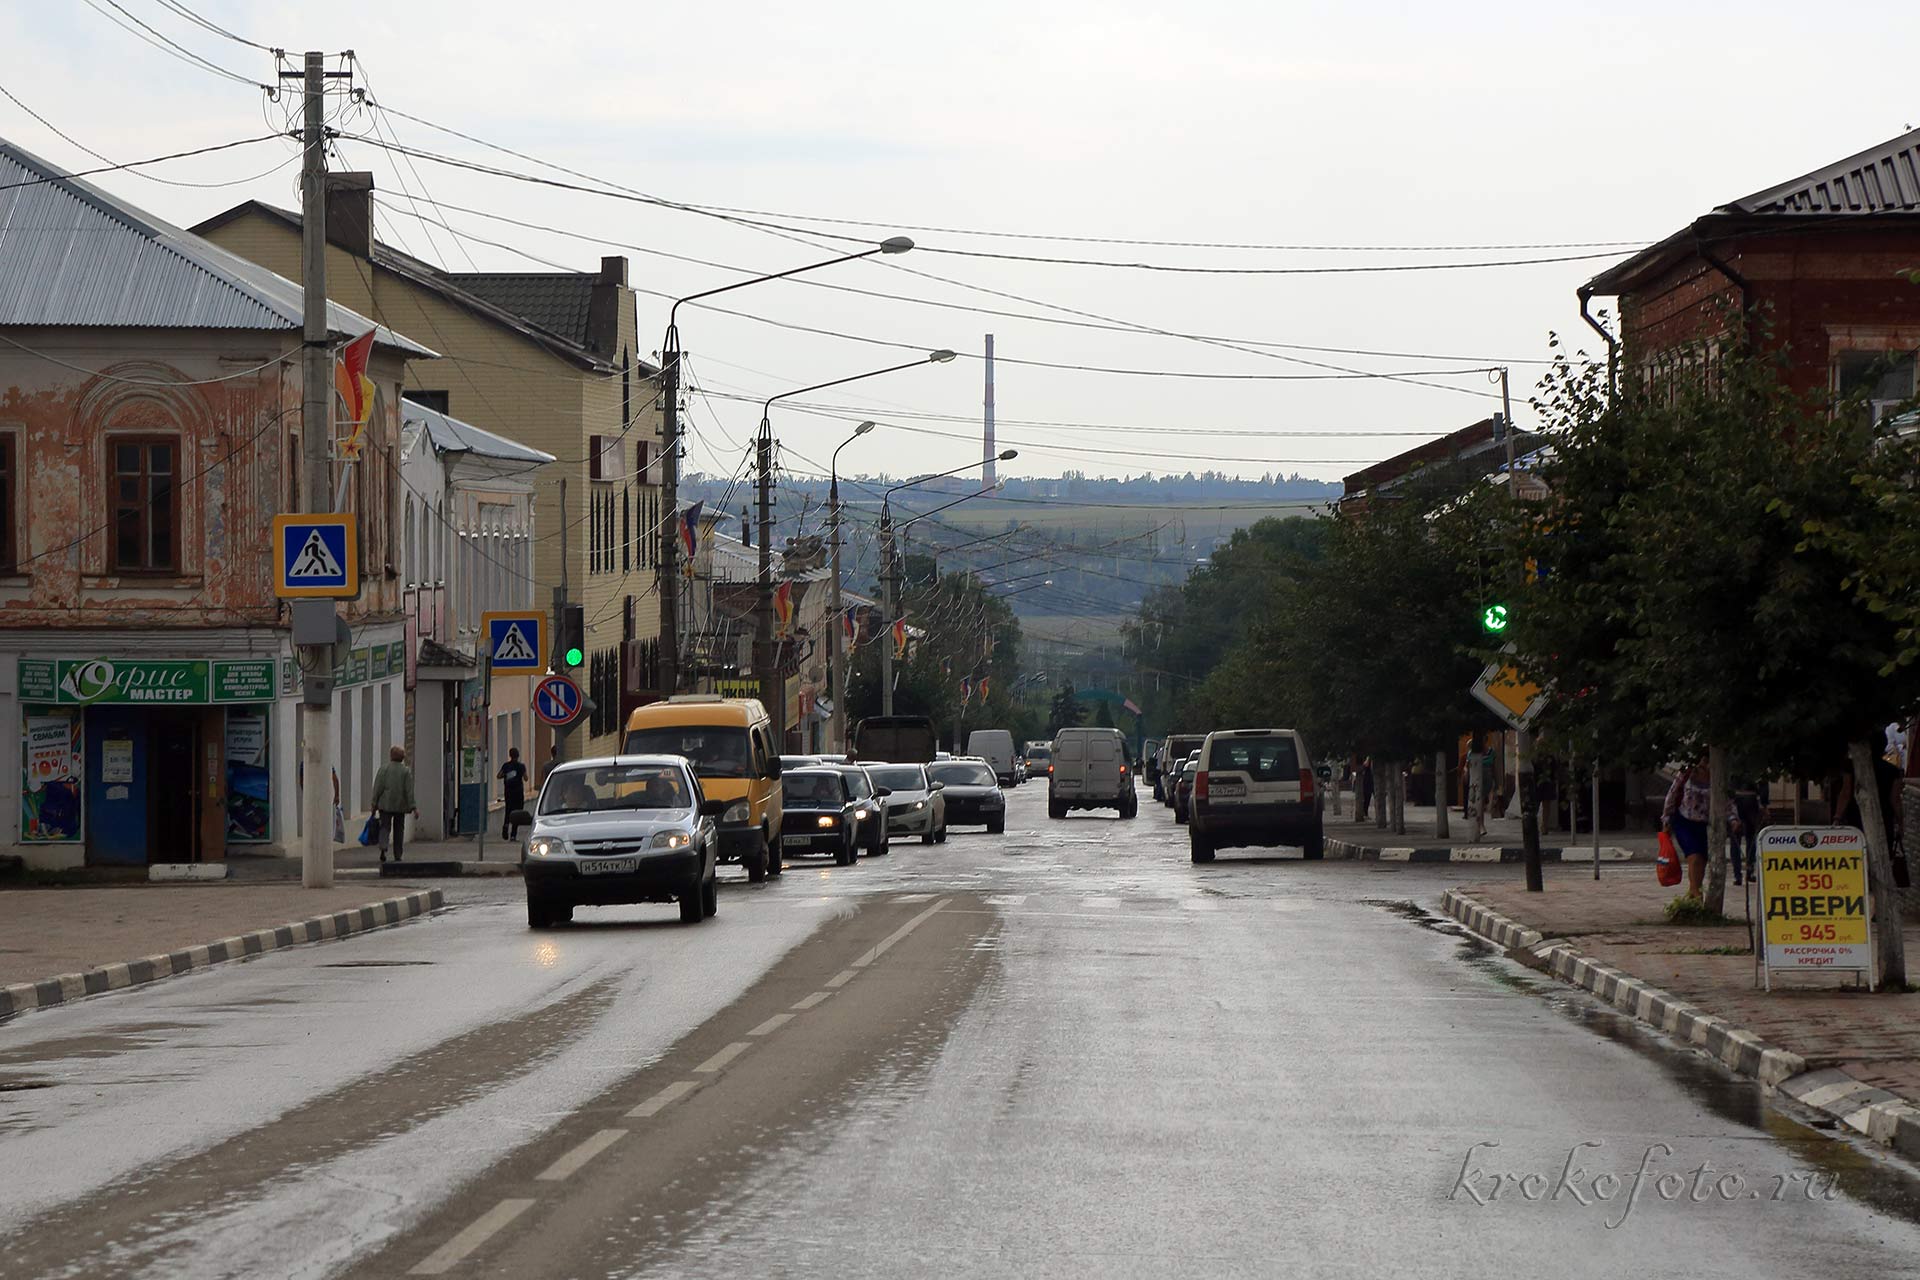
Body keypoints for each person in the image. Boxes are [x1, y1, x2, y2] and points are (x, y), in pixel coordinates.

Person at [1662, 755, 1712, 900]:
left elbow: (1727, 801)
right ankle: (1697, 894)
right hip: (1683, 821)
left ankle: (1693, 891)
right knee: (1694, 856)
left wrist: (1733, 820)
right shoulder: (1687, 773)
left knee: (1701, 860)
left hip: (1703, 824)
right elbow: (1672, 795)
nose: (1705, 764)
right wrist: (1666, 819)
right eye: (1704, 760)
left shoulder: (1717, 777)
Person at [370, 745, 418, 864]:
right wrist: (413, 807)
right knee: (399, 830)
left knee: (385, 827)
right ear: (402, 758)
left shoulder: (384, 769)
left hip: (385, 804)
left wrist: (374, 803)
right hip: (400, 806)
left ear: (391, 756)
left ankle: (383, 847)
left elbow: (378, 788)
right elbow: (409, 791)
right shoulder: (405, 771)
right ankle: (398, 854)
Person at [1729, 775, 1767, 886]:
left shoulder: (1730, 762)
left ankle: (1738, 875)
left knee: (1736, 840)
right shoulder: (1756, 764)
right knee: (1751, 838)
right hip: (1752, 801)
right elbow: (1763, 785)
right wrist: (1764, 805)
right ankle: (1749, 871)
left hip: (1735, 799)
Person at [497, 748, 529, 840]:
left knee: (508, 810)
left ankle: (506, 826)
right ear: (518, 755)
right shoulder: (521, 766)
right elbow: (526, 778)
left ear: (510, 755)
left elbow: (498, 776)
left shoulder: (506, 766)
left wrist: (507, 775)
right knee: (517, 813)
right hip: (518, 793)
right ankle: (513, 835)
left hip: (508, 792)